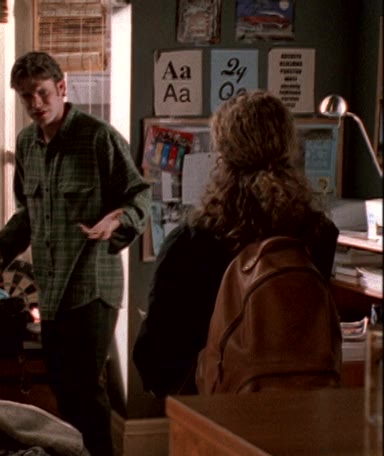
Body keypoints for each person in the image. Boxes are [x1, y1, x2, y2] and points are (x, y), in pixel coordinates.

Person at [0, 51, 152, 456]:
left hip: (92, 285)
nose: (35, 104)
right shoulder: (27, 144)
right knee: (64, 394)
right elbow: (28, 213)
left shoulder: (98, 138)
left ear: (62, 88)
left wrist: (118, 219)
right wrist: (1, 245)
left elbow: (140, 196)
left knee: (85, 394)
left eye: (42, 93)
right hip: (51, 292)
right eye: (26, 97)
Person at [133, 90, 339, 398]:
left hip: (214, 406)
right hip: (301, 404)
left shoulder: (192, 240)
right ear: (288, 146)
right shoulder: (319, 234)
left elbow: (155, 362)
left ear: (223, 154)